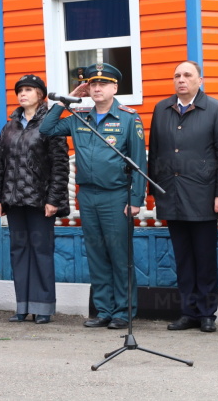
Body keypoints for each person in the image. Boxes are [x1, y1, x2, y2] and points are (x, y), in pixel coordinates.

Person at [40, 63, 147, 330]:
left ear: (115, 87)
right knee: (96, 254)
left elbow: (139, 161)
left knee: (120, 256)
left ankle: (124, 311)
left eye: (102, 84)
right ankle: (103, 310)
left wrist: (135, 200)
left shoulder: (128, 117)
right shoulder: (79, 115)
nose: (96, 88)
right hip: (87, 196)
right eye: (92, 84)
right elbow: (46, 129)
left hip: (116, 196)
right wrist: (65, 100)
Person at [148, 60, 218, 333]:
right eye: (177, 76)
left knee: (205, 259)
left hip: (203, 196)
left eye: (187, 75)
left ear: (200, 80)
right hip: (171, 195)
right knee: (182, 259)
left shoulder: (216, 109)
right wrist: (154, 191)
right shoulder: (161, 109)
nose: (181, 79)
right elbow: (157, 152)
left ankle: (207, 313)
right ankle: (188, 312)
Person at [0, 75, 70, 325]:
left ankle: (44, 307)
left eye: (29, 90)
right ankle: (22, 306)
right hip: (14, 201)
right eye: (20, 90)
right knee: (19, 252)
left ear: (40, 94)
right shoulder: (10, 126)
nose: (23, 94)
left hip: (40, 201)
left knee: (41, 252)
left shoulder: (50, 123)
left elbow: (60, 165)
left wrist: (54, 199)